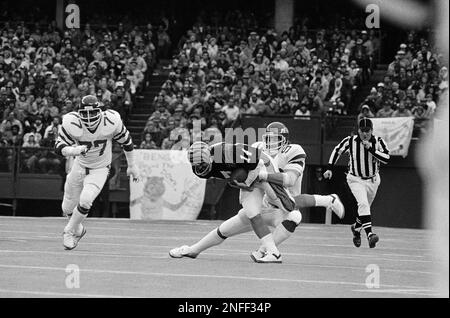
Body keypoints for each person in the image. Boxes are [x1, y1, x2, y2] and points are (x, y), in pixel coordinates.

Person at [170, 141, 296, 263]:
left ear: (210, 156)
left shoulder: (226, 152)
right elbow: (233, 178)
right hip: (248, 176)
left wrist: (245, 181)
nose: (200, 167)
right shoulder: (200, 171)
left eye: (201, 163)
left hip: (262, 168)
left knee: (288, 207)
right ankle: (273, 253)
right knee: (252, 214)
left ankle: (290, 196)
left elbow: (256, 162)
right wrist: (240, 182)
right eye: (196, 164)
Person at [55, 95, 139, 250]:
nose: (88, 117)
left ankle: (69, 231)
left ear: (100, 111)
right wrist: (75, 150)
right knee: (67, 208)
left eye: (92, 113)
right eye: (85, 113)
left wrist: (132, 164)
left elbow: (127, 142)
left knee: (86, 200)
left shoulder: (111, 121)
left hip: (100, 169)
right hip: (79, 166)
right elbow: (59, 147)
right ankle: (78, 229)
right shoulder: (71, 122)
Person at [323, 118, 390, 248]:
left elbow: (387, 158)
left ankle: (356, 229)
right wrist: (330, 168)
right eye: (362, 131)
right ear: (358, 130)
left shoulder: (378, 141)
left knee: (364, 209)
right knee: (363, 204)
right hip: (355, 179)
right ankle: (370, 234)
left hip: (373, 179)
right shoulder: (350, 141)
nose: (365, 134)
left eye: (367, 131)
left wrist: (371, 149)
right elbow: (337, 150)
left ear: (372, 130)